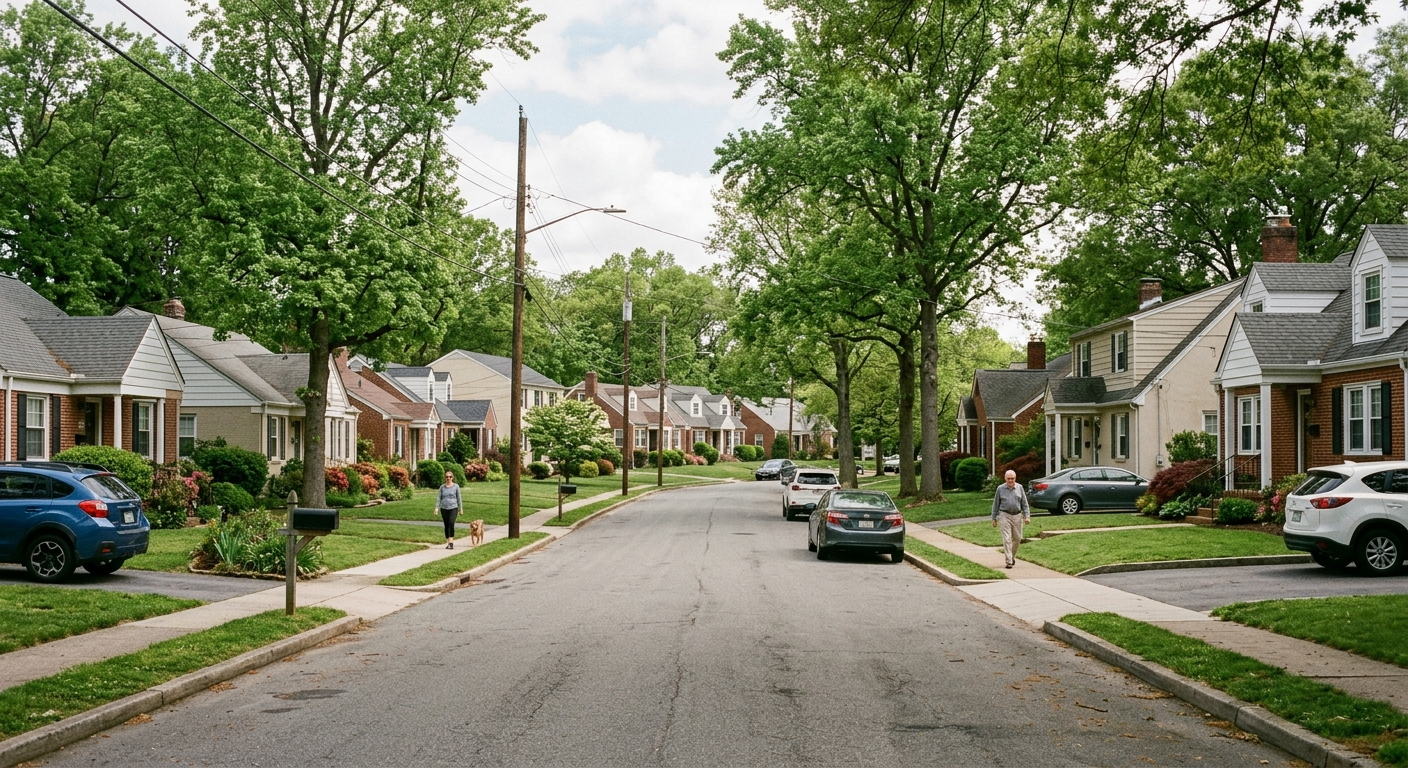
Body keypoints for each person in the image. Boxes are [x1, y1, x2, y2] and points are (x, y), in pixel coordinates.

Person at [990, 470, 1030, 569]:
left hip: (1017, 515)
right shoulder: (1000, 489)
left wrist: (1027, 516)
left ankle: (1012, 557)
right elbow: (996, 504)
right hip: (1004, 514)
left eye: (1012, 478)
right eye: (1008, 478)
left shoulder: (1019, 488)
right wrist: (994, 518)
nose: (1010, 480)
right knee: (1007, 539)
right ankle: (1008, 561)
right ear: (1005, 478)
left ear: (1015, 479)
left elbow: (1024, 503)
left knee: (1017, 538)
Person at [435, 470, 462, 550]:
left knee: (451, 523)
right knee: (446, 525)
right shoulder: (442, 487)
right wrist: (436, 508)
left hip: (453, 508)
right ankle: (448, 542)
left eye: (450, 477)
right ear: (445, 478)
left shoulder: (456, 486)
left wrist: (461, 509)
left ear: (452, 477)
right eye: (446, 477)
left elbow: (459, 498)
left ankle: (451, 542)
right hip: (444, 508)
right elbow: (439, 498)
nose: (448, 478)